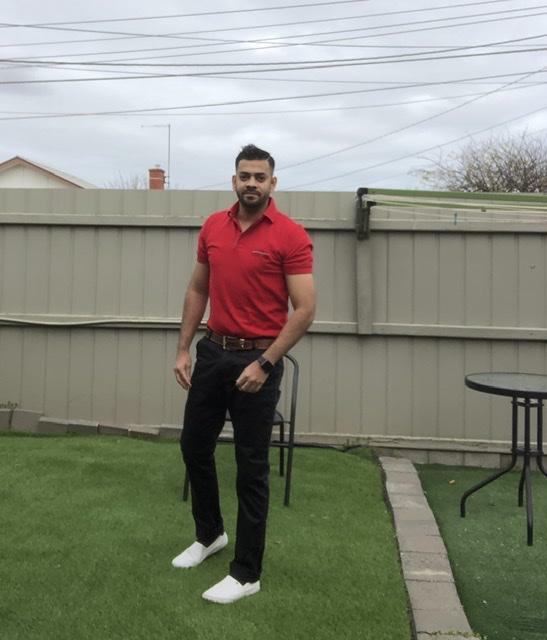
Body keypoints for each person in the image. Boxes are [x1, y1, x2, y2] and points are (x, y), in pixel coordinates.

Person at [171, 144, 315, 604]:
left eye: (260, 176)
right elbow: (198, 288)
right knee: (194, 446)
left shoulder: (291, 235)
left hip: (258, 360)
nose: (252, 183)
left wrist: (265, 363)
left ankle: (247, 572)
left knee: (251, 468)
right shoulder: (214, 226)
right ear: (234, 180)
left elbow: (305, 309)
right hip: (213, 352)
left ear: (273, 183)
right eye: (244, 176)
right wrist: (183, 349)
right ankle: (210, 534)